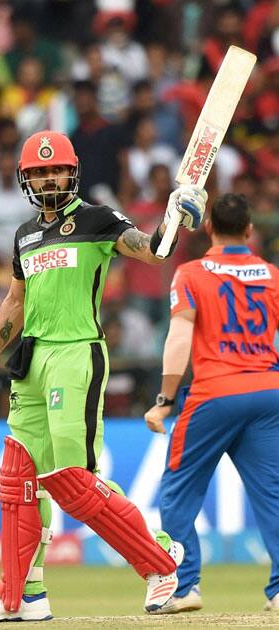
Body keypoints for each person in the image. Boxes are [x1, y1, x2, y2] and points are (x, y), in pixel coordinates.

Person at [0, 130, 207, 622]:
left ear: (71, 173)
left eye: (56, 170)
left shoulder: (97, 219)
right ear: (25, 179)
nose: (49, 179)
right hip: (29, 362)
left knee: (73, 481)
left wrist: (175, 215)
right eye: (39, 172)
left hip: (76, 355)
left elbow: (154, 248)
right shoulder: (25, 234)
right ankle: (23, 597)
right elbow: (15, 300)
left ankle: (160, 561)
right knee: (19, 478)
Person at [145, 193, 279, 614]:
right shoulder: (272, 275)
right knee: (273, 494)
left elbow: (180, 337)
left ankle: (184, 587)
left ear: (208, 228)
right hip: (268, 393)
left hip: (215, 394)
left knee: (178, 490)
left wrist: (165, 400)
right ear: (250, 230)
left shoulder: (191, 273)